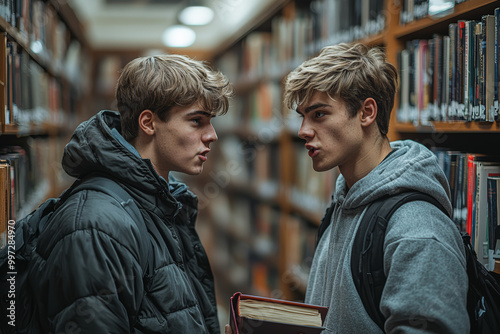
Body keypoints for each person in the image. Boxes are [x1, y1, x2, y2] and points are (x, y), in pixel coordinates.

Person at [226, 42, 469, 334]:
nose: (303, 131)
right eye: (302, 116)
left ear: (366, 112)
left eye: (319, 114)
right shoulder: (344, 204)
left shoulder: (418, 230)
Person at [21, 54, 233, 333]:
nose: (212, 135)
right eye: (197, 121)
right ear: (149, 123)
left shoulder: (160, 203)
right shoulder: (95, 225)